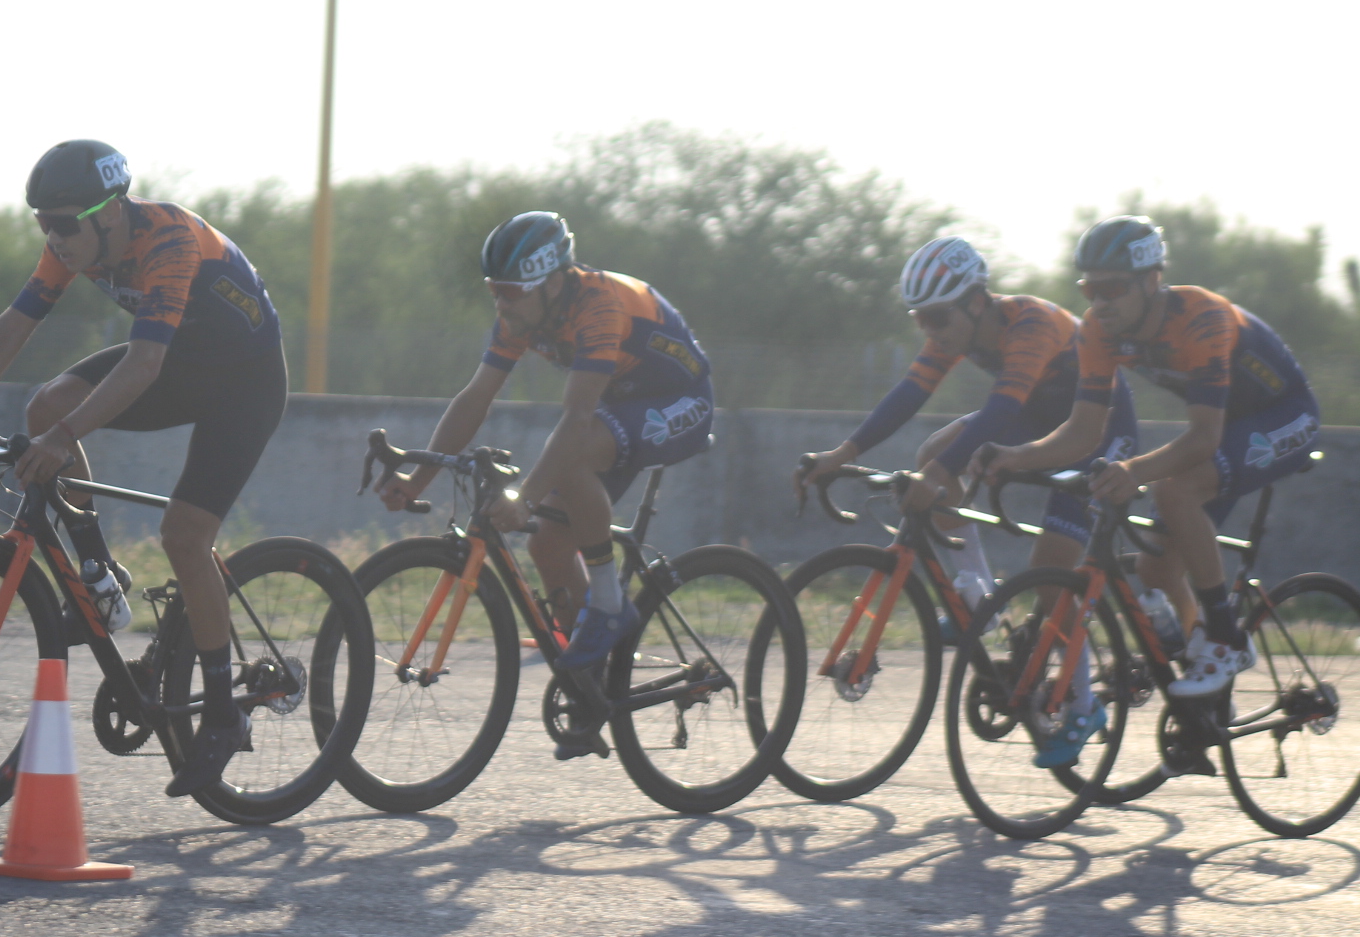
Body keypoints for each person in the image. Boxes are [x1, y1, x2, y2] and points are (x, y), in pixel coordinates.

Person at [0, 139, 286, 798]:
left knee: (185, 535)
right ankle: (100, 577)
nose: (54, 237)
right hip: (183, 364)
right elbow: (12, 326)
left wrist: (65, 436)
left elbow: (142, 366)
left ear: (111, 213)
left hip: (244, 383)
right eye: (43, 223)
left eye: (65, 223)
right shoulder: (72, 242)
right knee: (46, 401)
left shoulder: (169, 242)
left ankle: (221, 713)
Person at [798, 236, 1137, 765]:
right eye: (920, 321)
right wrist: (842, 453)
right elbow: (909, 394)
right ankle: (974, 595)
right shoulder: (956, 326)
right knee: (936, 451)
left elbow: (1001, 408)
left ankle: (1084, 702)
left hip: (1096, 429)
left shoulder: (1032, 324)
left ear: (975, 302)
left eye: (936, 319)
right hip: (1035, 418)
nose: (929, 331)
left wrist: (935, 475)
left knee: (1050, 570)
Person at [377, 211, 715, 687]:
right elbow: (477, 397)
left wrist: (526, 499)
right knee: (547, 542)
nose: (501, 305)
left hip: (678, 401)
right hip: (618, 406)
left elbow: (577, 421)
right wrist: (418, 480)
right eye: (494, 290)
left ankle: (609, 607)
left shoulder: (599, 307)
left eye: (511, 292)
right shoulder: (522, 313)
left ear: (553, 284)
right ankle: (591, 687)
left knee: (572, 458)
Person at [986, 215, 1320, 698]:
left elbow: (1203, 439)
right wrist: (1015, 457)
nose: (1099, 303)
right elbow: (1082, 431)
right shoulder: (1099, 332)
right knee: (1157, 572)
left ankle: (1225, 638)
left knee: (1174, 491)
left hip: (1284, 416)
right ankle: (1199, 683)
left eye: (1113, 288)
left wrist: (1133, 469)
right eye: (1089, 290)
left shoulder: (1200, 318)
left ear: (1151, 280)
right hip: (1229, 429)